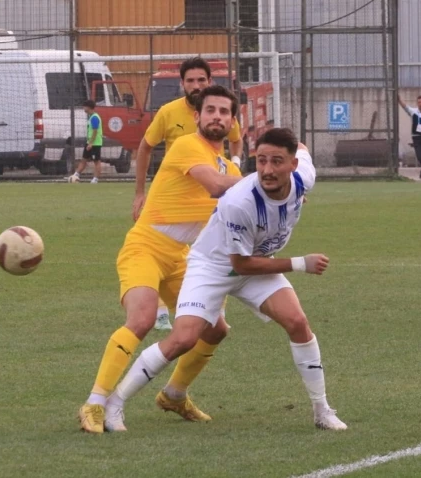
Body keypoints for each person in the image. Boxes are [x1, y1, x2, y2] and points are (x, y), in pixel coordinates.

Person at [106, 128, 348, 432]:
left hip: (255, 263)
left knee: (298, 323)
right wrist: (300, 263)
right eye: (261, 161)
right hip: (214, 267)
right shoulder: (239, 201)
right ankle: (115, 404)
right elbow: (240, 264)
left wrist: (290, 143)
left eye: (276, 161)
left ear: (293, 165)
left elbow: (300, 145)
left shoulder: (304, 178)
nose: (268, 170)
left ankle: (322, 410)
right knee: (183, 339)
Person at [78, 85, 243, 434]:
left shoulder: (230, 166)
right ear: (197, 117)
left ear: (232, 122)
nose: (216, 116)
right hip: (146, 246)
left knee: (215, 329)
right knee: (142, 318)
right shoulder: (187, 147)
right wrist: (267, 182)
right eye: (210, 110)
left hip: (183, 257)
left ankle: (174, 394)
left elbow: (247, 208)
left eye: (224, 112)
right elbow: (214, 186)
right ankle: (94, 403)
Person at [134, 57, 244, 329]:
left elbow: (236, 139)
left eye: (201, 80)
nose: (196, 85)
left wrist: (237, 167)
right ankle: (159, 309)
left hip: (211, 195)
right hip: (176, 195)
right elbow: (146, 146)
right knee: (159, 247)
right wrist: (140, 192)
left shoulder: (218, 109)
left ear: (210, 81)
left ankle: (214, 311)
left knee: (218, 251)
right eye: (190, 80)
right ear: (181, 83)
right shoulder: (169, 112)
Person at [398, 94, 421, 181]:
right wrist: (399, 99)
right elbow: (405, 107)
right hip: (416, 137)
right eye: (419, 102)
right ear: (417, 103)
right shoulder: (413, 112)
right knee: (420, 157)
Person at [68, 100, 103, 184]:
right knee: (83, 159)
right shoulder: (90, 116)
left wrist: (91, 143)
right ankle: (76, 175)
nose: (83, 108)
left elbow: (95, 131)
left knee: (96, 161)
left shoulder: (94, 117)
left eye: (84, 106)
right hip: (89, 142)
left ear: (88, 107)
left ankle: (95, 179)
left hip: (95, 144)